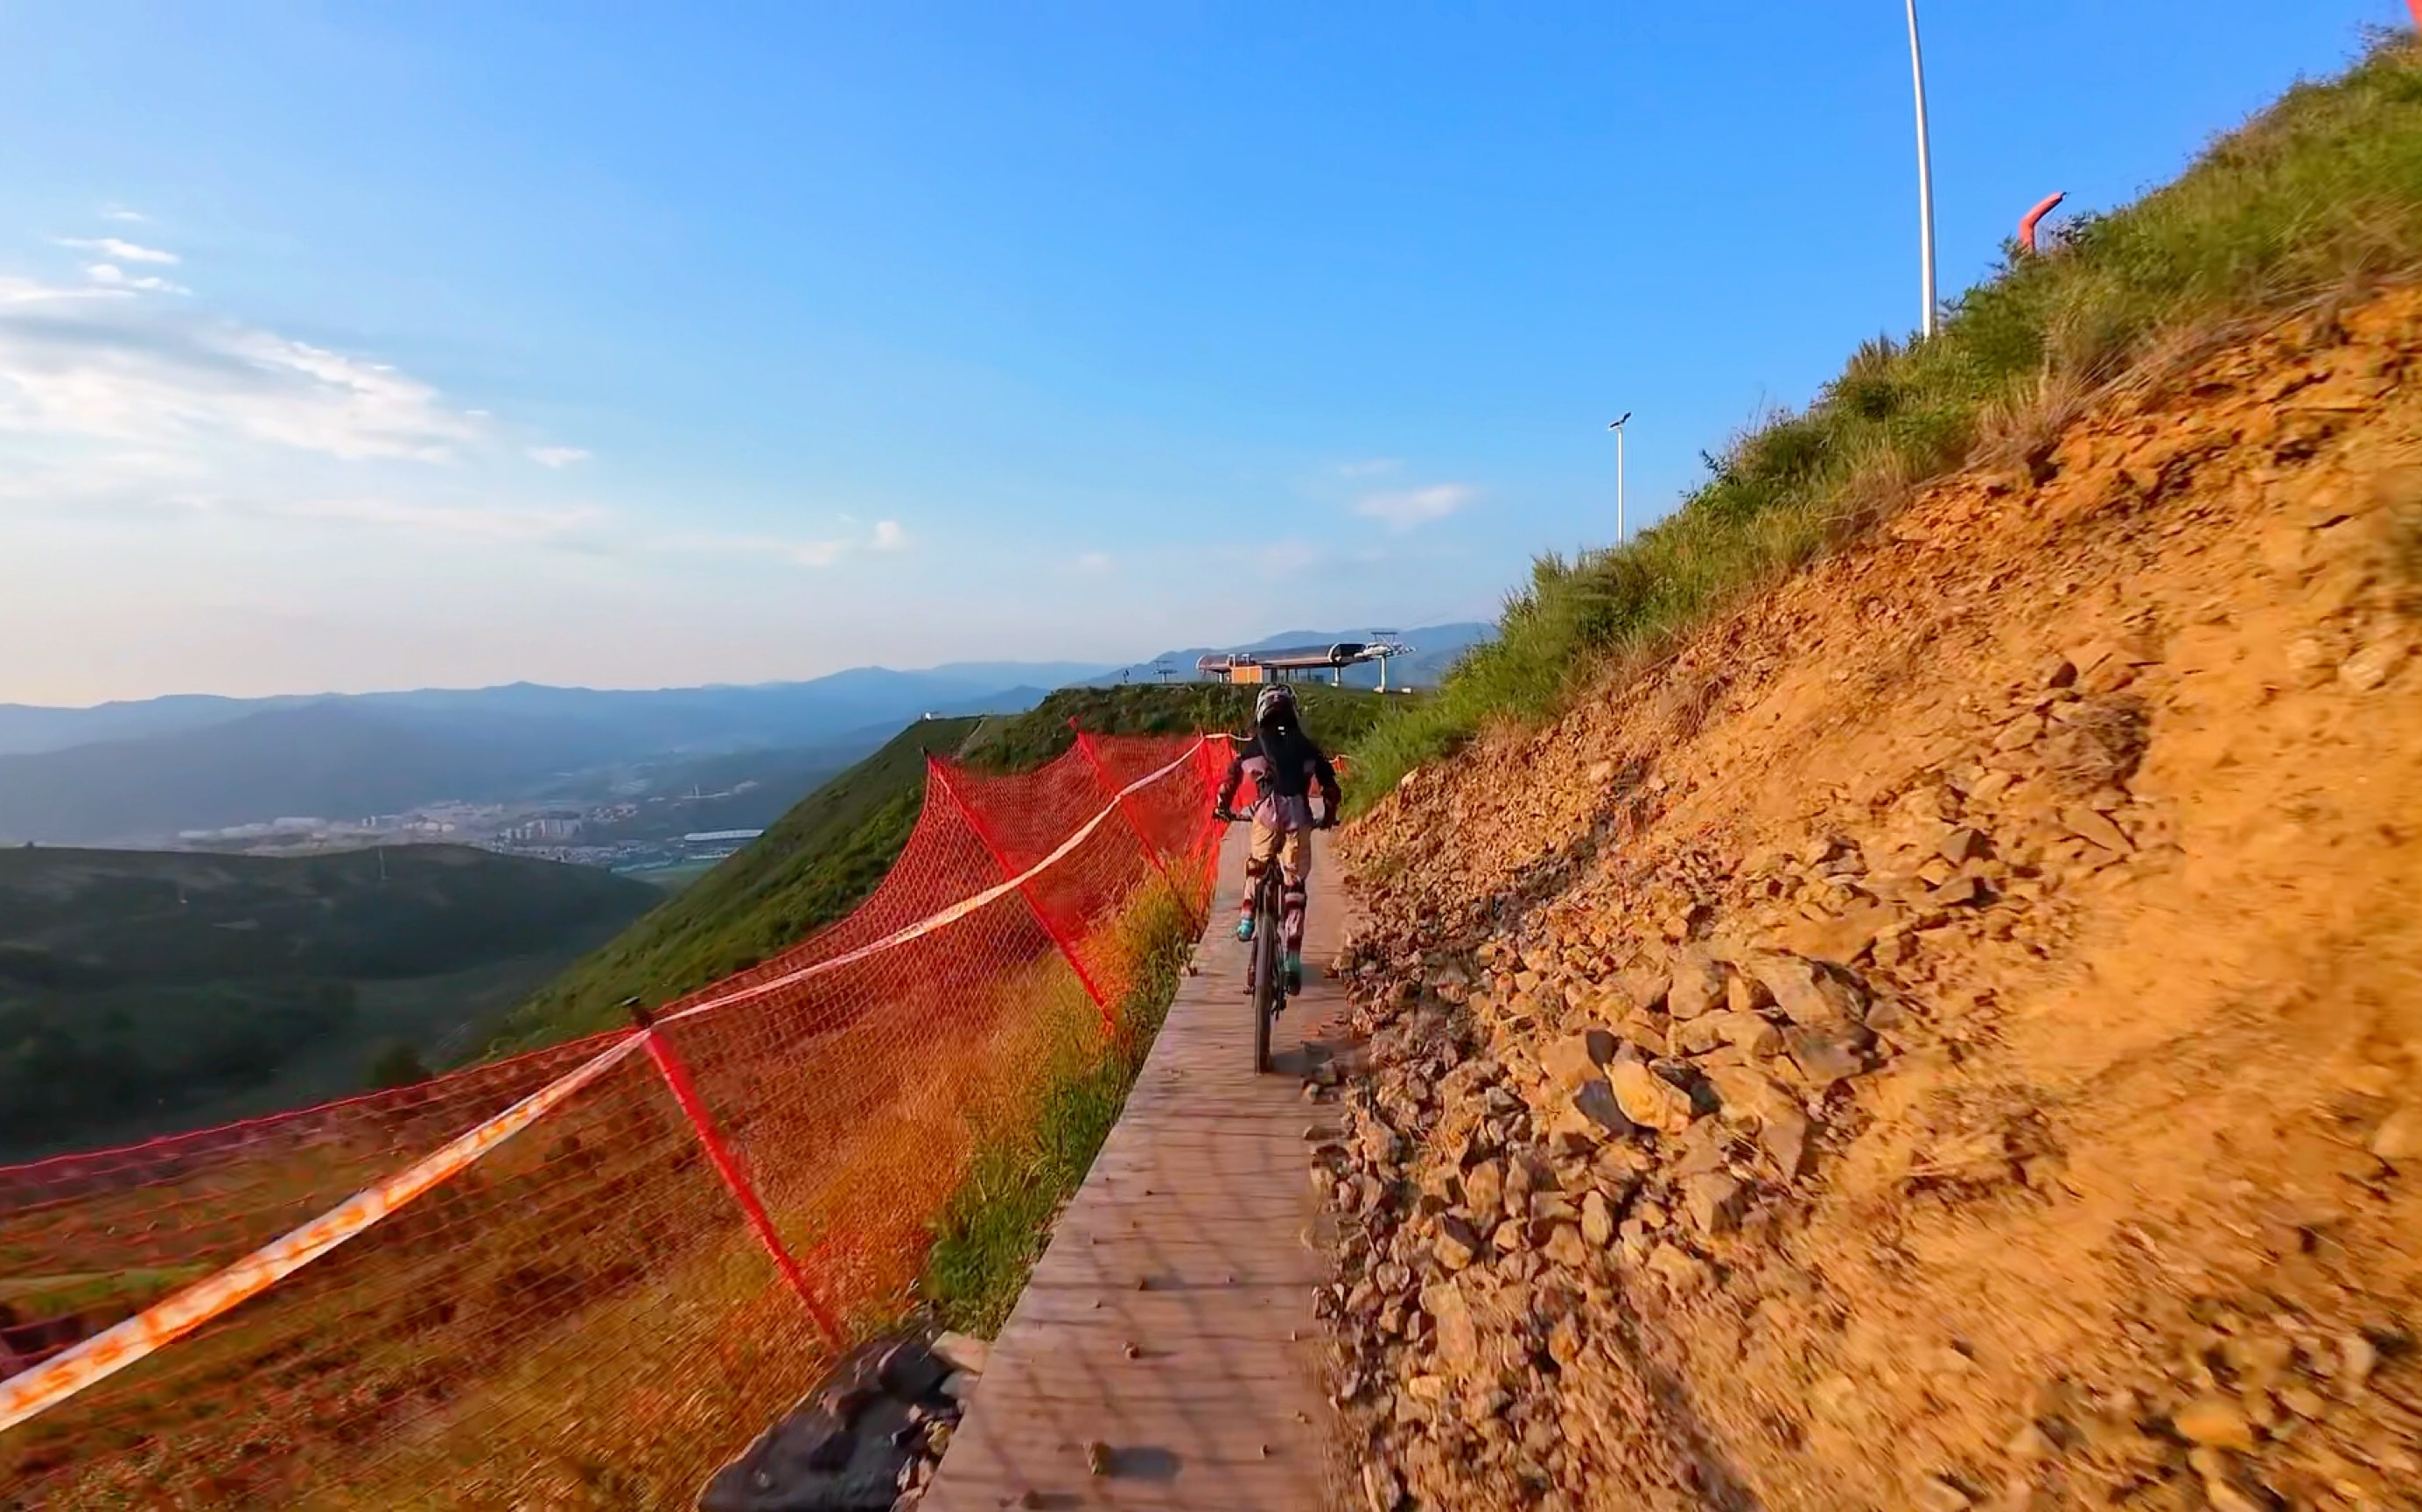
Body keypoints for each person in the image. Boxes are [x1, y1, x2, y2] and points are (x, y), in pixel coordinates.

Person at [1213, 683, 1341, 995]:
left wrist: (1222, 808)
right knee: (1295, 884)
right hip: (1298, 817)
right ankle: (1292, 959)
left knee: (1257, 864)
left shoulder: (1254, 747)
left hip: (1266, 816)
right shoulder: (1306, 747)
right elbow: (1330, 788)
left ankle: (1247, 916)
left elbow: (1228, 782)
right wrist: (1328, 815)